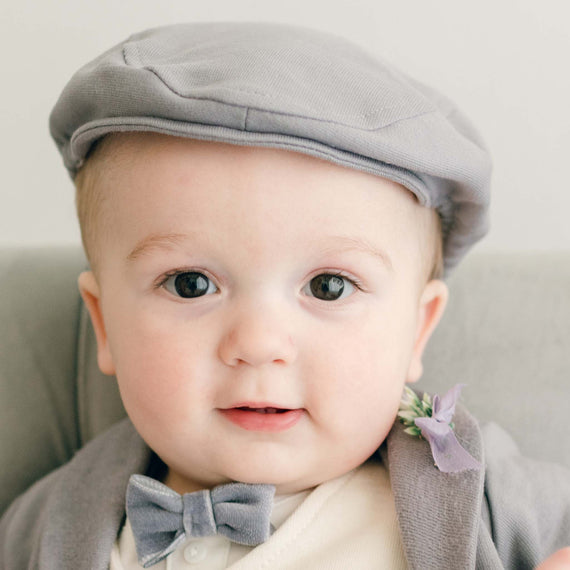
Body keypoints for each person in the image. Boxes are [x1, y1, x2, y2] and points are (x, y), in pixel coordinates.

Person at [1, 21, 569, 570]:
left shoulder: (477, 489)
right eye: (190, 284)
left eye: (328, 287)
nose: (259, 343)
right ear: (104, 326)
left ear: (417, 330)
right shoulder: (47, 526)